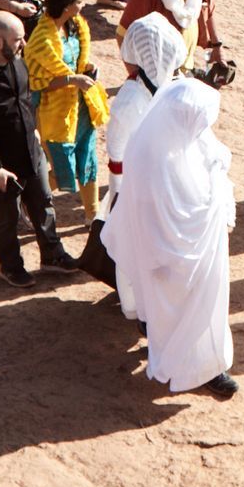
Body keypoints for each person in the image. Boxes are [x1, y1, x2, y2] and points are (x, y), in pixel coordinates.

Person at [107, 76, 239, 399]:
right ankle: (199, 369)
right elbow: (172, 219)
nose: (204, 128)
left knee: (185, 315)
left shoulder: (176, 134)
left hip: (186, 256)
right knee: (187, 314)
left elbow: (213, 155)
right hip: (171, 262)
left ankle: (193, 362)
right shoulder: (155, 160)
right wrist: (213, 206)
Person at [0, 11, 80, 287]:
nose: (24, 44)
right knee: (7, 218)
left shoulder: (17, 63)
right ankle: (11, 266)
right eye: (18, 39)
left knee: (44, 204)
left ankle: (52, 255)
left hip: (30, 151)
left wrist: (34, 133)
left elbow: (25, 101)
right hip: (3, 165)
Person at [80, 16, 188, 287]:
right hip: (176, 186)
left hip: (138, 189)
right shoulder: (182, 88)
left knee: (136, 254)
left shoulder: (129, 99)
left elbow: (116, 154)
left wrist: (117, 195)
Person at [23, 0, 111, 225]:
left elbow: (77, 63)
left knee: (87, 159)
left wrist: (86, 69)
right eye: (80, 1)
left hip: (79, 106)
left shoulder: (75, 26)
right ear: (66, 5)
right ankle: (26, 200)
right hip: (55, 110)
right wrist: (73, 79)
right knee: (63, 163)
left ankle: (93, 215)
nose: (83, 6)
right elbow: (38, 82)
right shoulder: (41, 38)